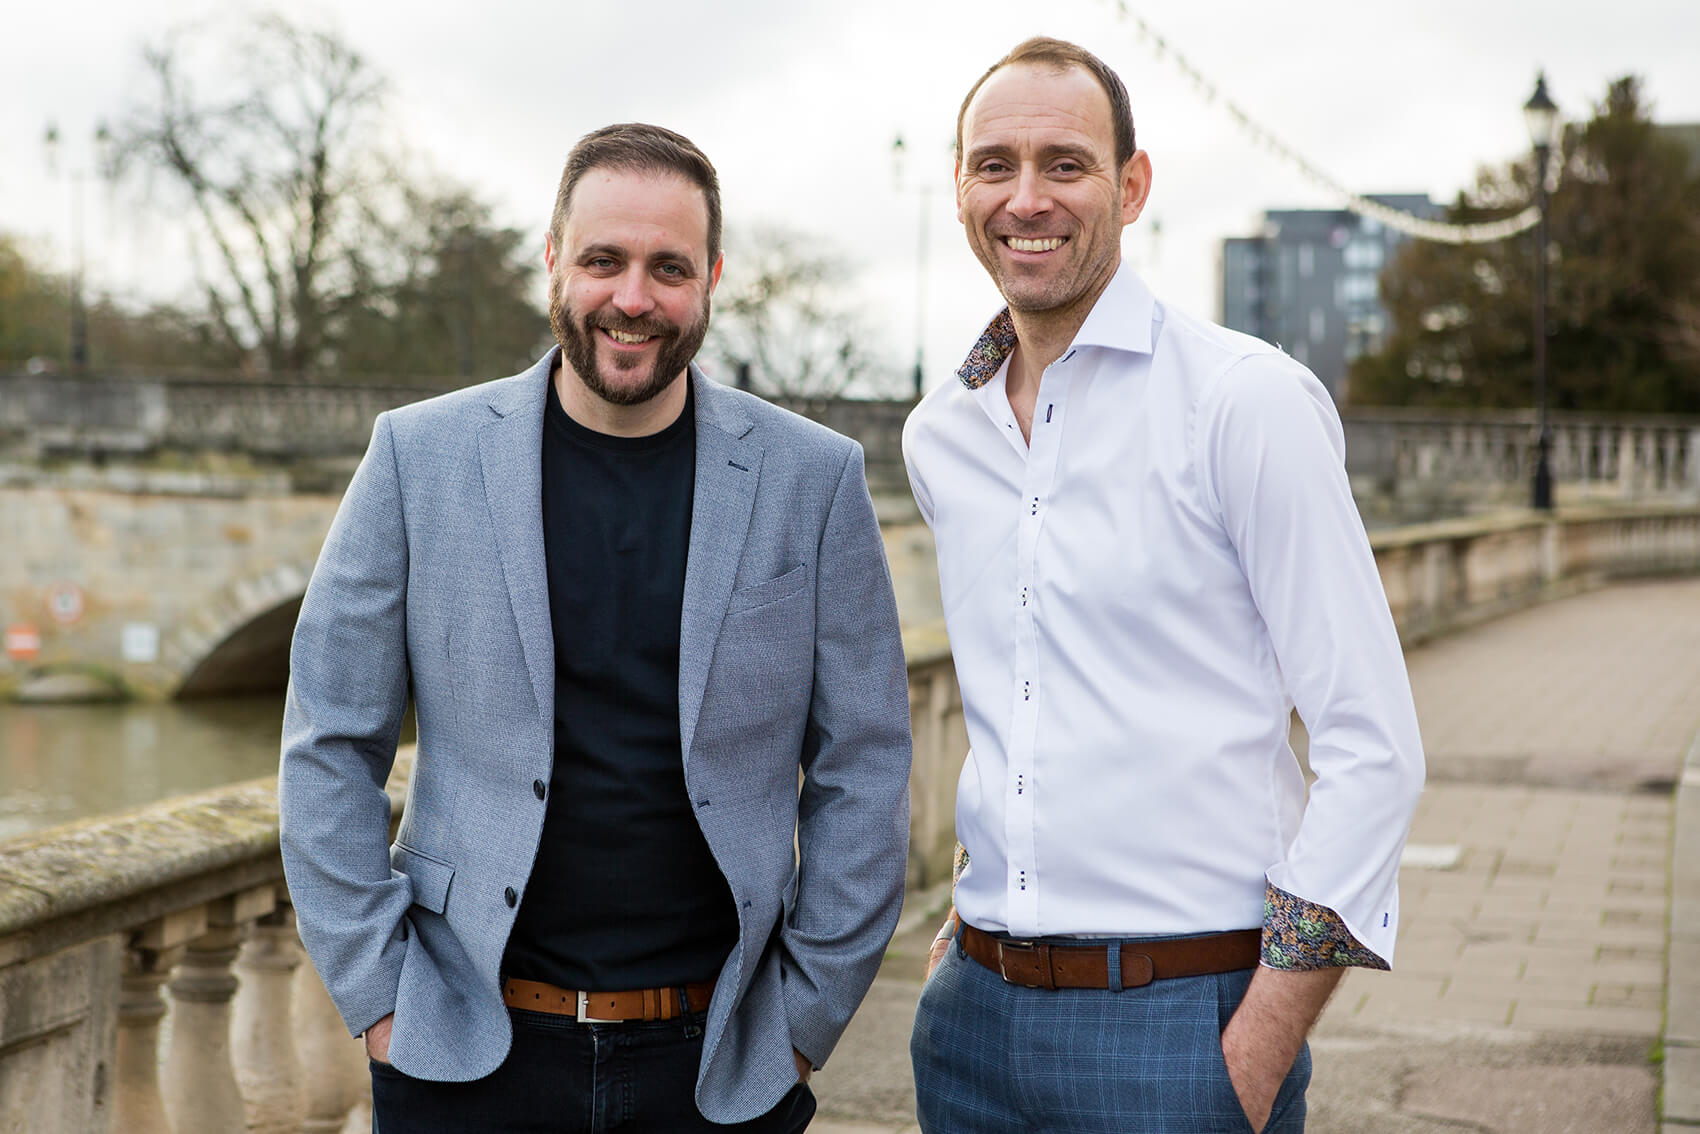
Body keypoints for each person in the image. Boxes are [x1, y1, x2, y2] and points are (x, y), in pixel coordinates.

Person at [279, 122, 912, 1133]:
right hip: (461, 1050)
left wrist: (803, 1020)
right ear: (551, 261)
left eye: (668, 267)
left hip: (721, 1063)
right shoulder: (415, 459)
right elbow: (327, 743)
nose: (632, 298)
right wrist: (380, 995)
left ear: (711, 278)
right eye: (602, 260)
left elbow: (865, 763)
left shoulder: (814, 480)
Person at [903, 38, 1425, 1133]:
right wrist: (968, 913)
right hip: (969, 1026)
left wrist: (1258, 1041)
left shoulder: (1243, 402)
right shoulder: (939, 436)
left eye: (1065, 163)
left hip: (1182, 1026)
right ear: (958, 189)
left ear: (1130, 186)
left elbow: (1371, 745)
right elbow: (1020, 696)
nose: (1025, 197)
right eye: (993, 164)